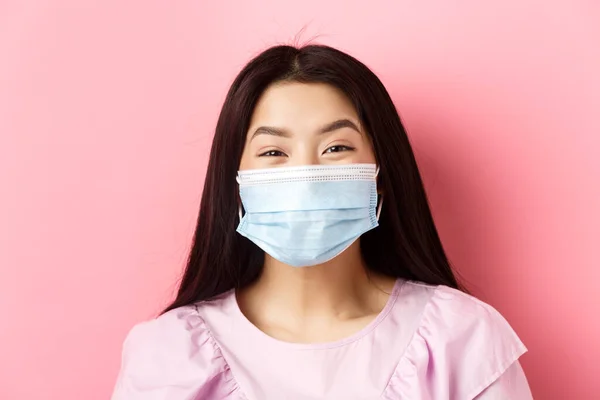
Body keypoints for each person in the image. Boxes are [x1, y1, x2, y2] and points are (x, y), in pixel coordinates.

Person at [111, 44, 532, 399]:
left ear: (381, 176)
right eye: (274, 153)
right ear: (236, 184)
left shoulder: (462, 339)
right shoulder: (167, 353)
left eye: (335, 148)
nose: (307, 178)